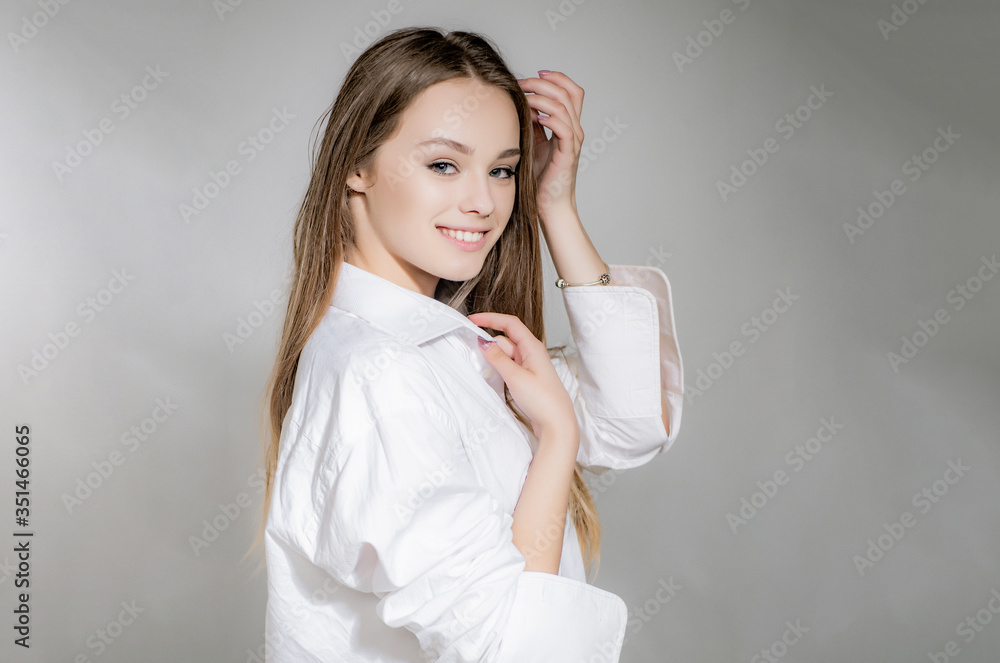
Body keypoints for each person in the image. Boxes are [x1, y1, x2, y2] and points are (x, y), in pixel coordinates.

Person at [245, 26, 684, 662]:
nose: (483, 202)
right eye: (444, 165)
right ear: (356, 168)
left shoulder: (448, 348)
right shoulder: (381, 372)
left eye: (502, 170)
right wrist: (557, 437)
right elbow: (507, 647)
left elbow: (629, 421)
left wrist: (554, 203)